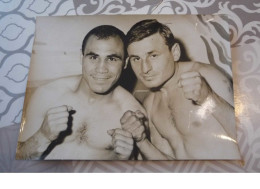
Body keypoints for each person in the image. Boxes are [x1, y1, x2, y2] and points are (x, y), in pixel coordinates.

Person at [16, 25, 145, 160]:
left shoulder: (133, 116)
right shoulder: (47, 95)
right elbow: (18, 159)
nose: (101, 69)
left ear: (125, 63)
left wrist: (126, 159)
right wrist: (42, 136)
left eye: (112, 59)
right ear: (81, 57)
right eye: (93, 57)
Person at [122, 19, 241, 160]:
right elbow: (168, 164)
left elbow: (252, 140)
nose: (145, 69)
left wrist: (209, 98)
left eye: (153, 56)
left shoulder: (208, 76)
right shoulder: (150, 104)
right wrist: (141, 141)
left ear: (175, 52)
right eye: (136, 59)